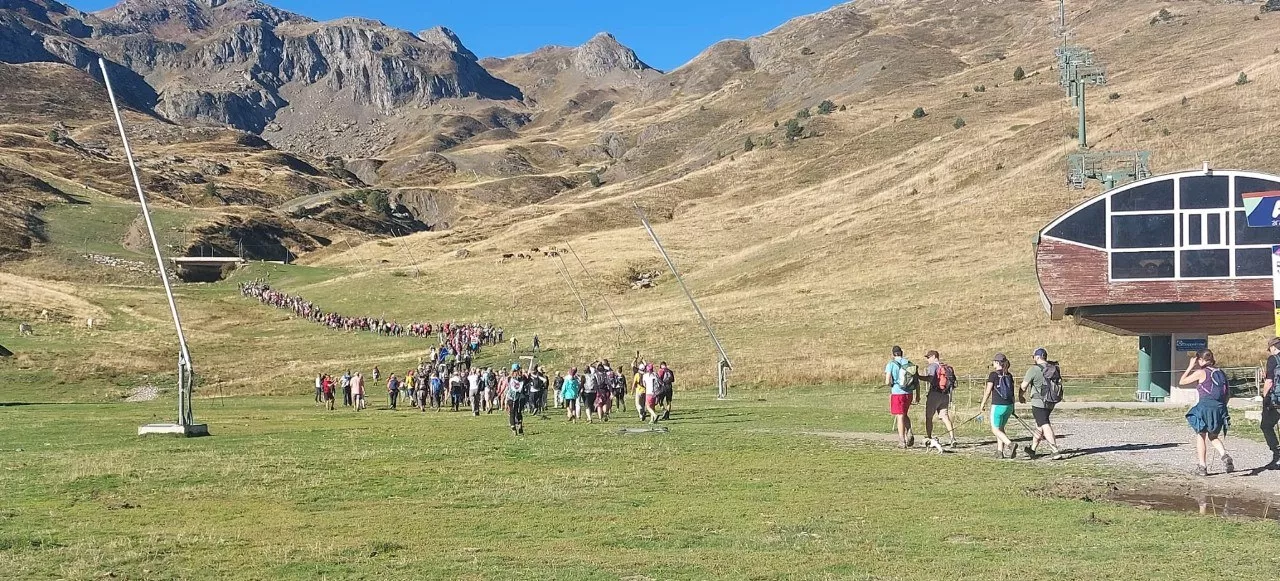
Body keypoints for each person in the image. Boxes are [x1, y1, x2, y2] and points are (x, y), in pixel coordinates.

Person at [1180, 349, 1234, 476]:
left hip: (1205, 407)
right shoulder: (1221, 373)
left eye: (1198, 360)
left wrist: (1189, 367)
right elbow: (1228, 394)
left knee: (1201, 435)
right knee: (1213, 436)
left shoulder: (1200, 372)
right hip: (1220, 407)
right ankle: (1225, 455)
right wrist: (1222, 407)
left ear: (1200, 360)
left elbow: (1182, 382)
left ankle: (1202, 467)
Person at [1022, 348, 1061, 458]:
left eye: (1033, 356)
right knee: (1040, 424)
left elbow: (1024, 386)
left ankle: (1055, 450)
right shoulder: (1053, 368)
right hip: (1051, 401)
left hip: (1038, 402)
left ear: (1037, 357)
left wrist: (1020, 395)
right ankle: (1033, 449)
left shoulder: (1034, 369)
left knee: (1044, 424)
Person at [980, 353, 1018, 459]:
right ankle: (999, 451)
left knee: (995, 429)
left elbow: (988, 391)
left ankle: (1010, 444)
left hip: (998, 405)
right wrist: (1013, 407)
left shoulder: (993, 375)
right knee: (1000, 428)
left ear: (997, 362)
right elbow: (1012, 392)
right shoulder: (1009, 375)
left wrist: (983, 403)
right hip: (1009, 406)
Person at [884, 346, 918, 448]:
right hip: (909, 393)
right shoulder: (908, 363)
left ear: (893, 354)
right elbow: (916, 380)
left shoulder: (891, 364)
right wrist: (918, 395)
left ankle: (902, 440)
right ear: (901, 353)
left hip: (897, 393)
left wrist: (892, 384)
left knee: (899, 416)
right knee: (904, 413)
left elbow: (887, 381)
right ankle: (909, 430)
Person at [922, 350, 956, 447]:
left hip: (935, 394)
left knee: (929, 417)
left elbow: (930, 378)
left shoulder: (933, 366)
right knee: (945, 416)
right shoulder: (944, 366)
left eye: (928, 357)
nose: (927, 360)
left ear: (933, 356)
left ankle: (929, 437)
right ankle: (952, 437)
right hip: (945, 394)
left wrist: (919, 377)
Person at [1263, 337, 1280, 465]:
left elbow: (1269, 381)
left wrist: (1265, 398)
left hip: (1277, 400)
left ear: (1273, 347)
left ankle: (1277, 453)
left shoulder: (1273, 359)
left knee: (1266, 425)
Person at [507, 364, 527, 435]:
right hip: (519, 397)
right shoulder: (522, 378)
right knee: (518, 412)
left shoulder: (509, 378)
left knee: (512, 413)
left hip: (511, 397)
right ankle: (519, 425)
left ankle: (514, 429)